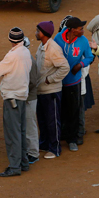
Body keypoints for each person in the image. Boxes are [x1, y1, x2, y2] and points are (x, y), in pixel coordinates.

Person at [0, 28, 32, 177]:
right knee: (20, 132)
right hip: (21, 96)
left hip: (12, 98)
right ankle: (23, 163)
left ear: (10, 40)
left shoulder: (12, 55)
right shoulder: (26, 52)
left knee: (12, 134)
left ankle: (15, 167)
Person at [54, 17, 94, 152]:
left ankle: (72, 139)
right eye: (80, 28)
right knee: (60, 110)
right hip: (59, 82)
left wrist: (80, 64)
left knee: (73, 111)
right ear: (72, 30)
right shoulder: (58, 39)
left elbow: (89, 56)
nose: (82, 30)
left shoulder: (83, 41)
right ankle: (61, 136)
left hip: (74, 82)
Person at [34, 21, 69, 159]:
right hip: (41, 90)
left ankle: (55, 148)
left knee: (52, 120)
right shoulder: (41, 46)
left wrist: (50, 79)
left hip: (51, 91)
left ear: (44, 33)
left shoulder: (53, 48)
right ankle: (44, 144)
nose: (36, 33)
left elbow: (64, 67)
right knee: (42, 119)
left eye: (38, 31)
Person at [22, 37, 39, 163]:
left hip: (29, 98)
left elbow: (32, 81)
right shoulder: (23, 59)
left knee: (30, 126)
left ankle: (33, 153)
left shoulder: (29, 61)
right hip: (24, 97)